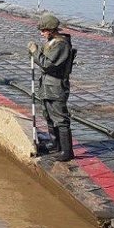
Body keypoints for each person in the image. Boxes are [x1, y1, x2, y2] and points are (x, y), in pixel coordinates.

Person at [29, 13, 76, 160]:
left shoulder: (61, 44)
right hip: (46, 85)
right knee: (48, 116)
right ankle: (55, 145)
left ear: (52, 29)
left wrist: (35, 52)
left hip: (56, 86)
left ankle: (67, 152)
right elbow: (40, 57)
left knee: (60, 119)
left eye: (44, 31)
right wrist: (33, 52)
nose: (42, 34)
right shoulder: (50, 42)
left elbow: (47, 64)